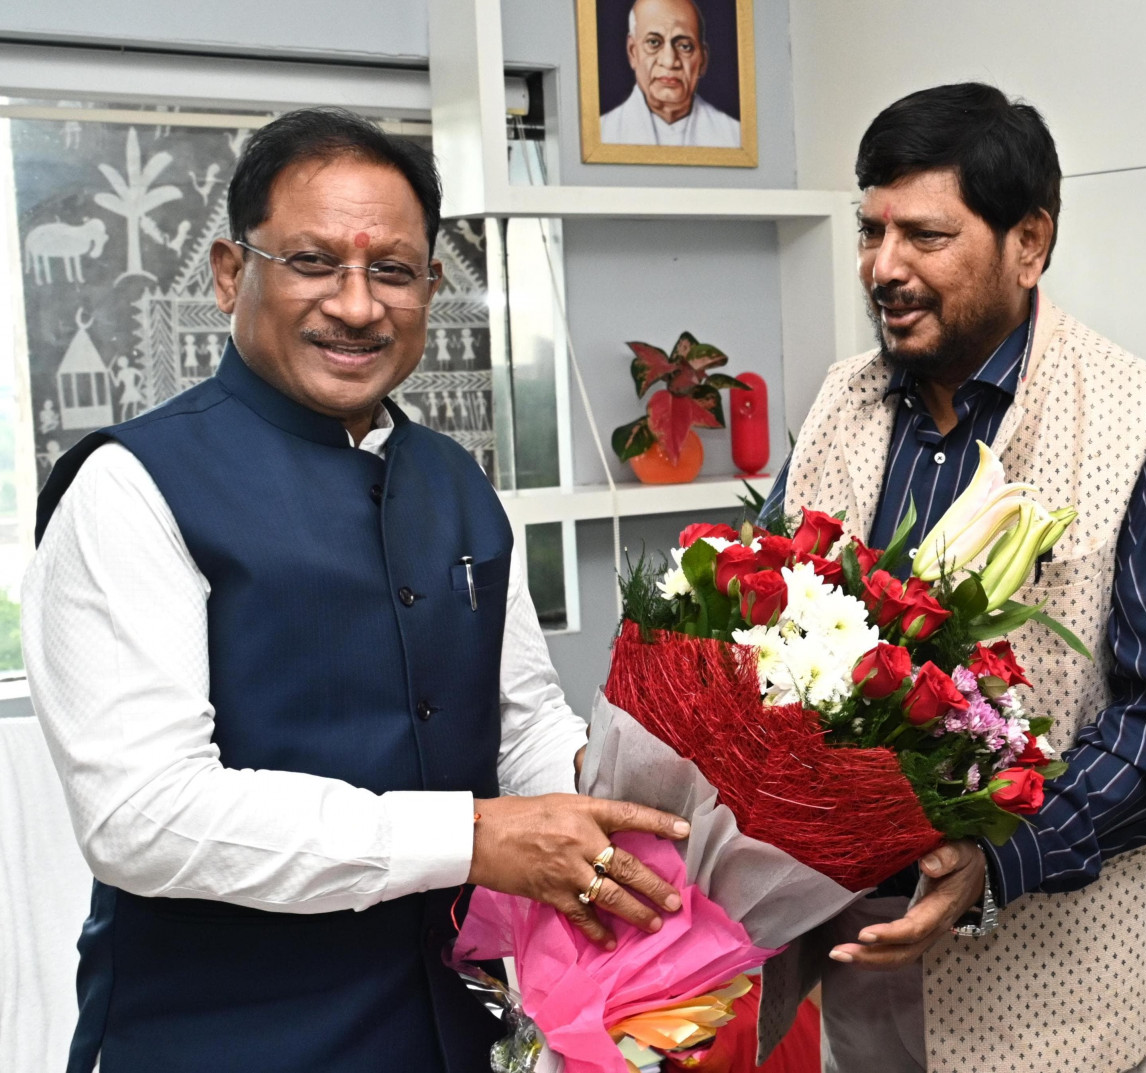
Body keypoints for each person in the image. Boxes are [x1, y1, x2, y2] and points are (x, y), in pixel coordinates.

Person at [22, 108, 690, 1073]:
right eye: (312, 261)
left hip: (447, 1026)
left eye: (392, 271)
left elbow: (522, 718)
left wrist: (642, 803)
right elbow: (145, 816)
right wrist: (467, 837)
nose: (357, 304)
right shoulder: (132, 486)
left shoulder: (455, 479)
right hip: (218, 1038)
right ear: (228, 274)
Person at [757, 83, 1146, 1073]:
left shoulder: (1143, 423)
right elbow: (755, 635)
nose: (882, 267)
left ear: (1028, 241)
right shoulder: (840, 402)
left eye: (924, 235)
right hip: (862, 996)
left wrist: (992, 863)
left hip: (1067, 1025)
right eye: (868, 230)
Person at [600, 0, 740, 148]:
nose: (669, 61)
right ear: (633, 52)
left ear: (703, 60)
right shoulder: (602, 134)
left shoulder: (736, 138)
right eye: (653, 42)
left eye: (685, 46)